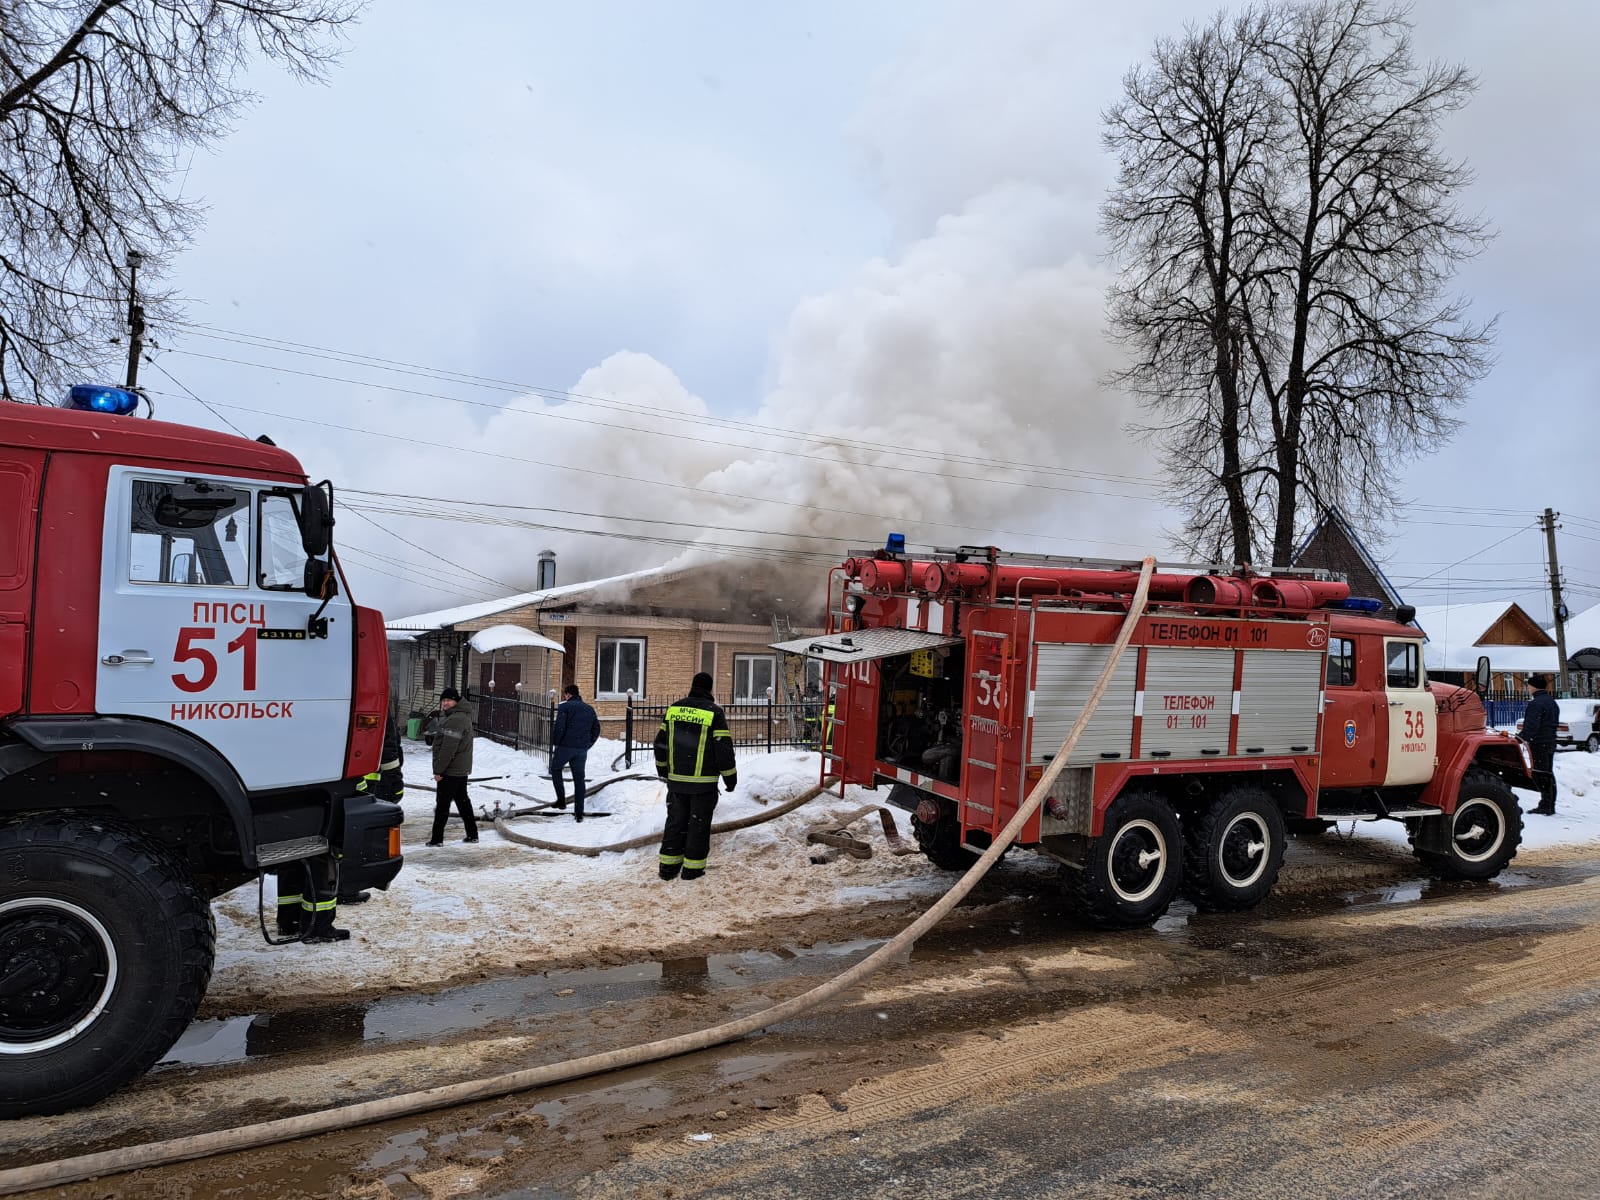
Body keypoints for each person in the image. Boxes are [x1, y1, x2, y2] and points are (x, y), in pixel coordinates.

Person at [654, 671, 737, 881]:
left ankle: (667, 868)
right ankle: (692, 870)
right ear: (710, 689)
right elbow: (723, 749)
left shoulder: (674, 709)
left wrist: (663, 770)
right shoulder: (714, 712)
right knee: (698, 827)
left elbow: (660, 744)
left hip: (677, 783)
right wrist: (730, 778)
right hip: (703, 785)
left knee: (675, 824)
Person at [342, 713, 405, 903]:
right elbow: (388, 749)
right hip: (370, 785)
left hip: (349, 780)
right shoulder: (379, 712)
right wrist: (395, 781)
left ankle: (341, 884)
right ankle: (349, 886)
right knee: (363, 836)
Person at [428, 687, 480, 845]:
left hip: (451, 770)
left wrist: (438, 770)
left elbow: (448, 748)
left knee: (442, 806)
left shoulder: (455, 720)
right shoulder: (460, 716)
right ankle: (472, 834)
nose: (445, 703)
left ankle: (437, 839)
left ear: (456, 702)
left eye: (448, 700)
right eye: (443, 700)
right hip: (459, 769)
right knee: (463, 803)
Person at [550, 683, 601, 821]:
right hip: (581, 749)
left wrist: (556, 742)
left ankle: (561, 801)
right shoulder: (589, 709)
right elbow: (596, 729)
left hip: (565, 747)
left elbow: (560, 727)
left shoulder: (564, 707)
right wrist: (588, 744)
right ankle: (579, 812)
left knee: (555, 769)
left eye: (565, 695)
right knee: (579, 779)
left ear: (568, 694)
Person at [1520, 673, 1560, 815]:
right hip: (1550, 741)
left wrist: (1521, 738)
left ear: (1533, 687)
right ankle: (1549, 804)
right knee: (1548, 773)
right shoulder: (1551, 702)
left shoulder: (1536, 704)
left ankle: (1546, 805)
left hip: (1539, 743)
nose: (1528, 688)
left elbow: (1532, 726)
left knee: (1541, 774)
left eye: (1528, 686)